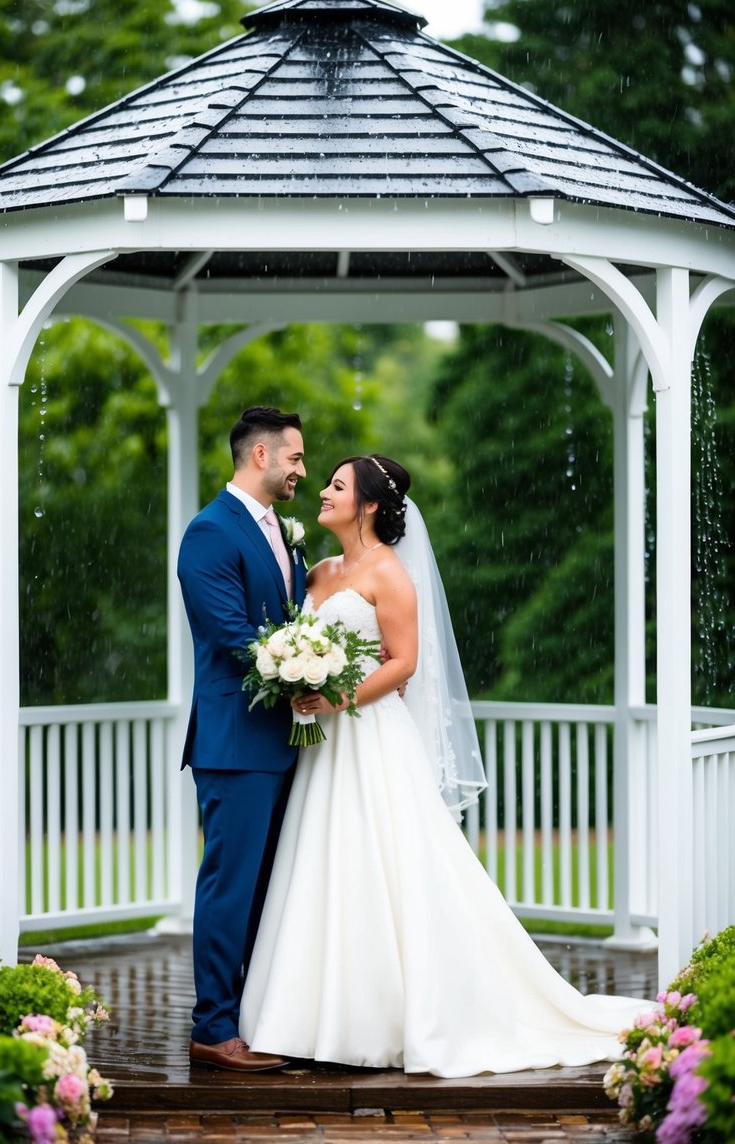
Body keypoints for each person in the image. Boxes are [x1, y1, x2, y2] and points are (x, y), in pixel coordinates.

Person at [239, 454, 654, 1077]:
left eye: (338, 486)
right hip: (320, 748)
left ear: (370, 505)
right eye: (325, 482)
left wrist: (337, 695)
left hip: (369, 738)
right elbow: (302, 639)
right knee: (323, 863)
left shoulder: (390, 574)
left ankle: (398, 1013)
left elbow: (402, 663)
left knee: (391, 865)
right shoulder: (317, 573)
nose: (323, 491)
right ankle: (312, 1015)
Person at [177, 406, 308, 1071]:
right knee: (230, 885)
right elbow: (232, 635)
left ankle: (254, 1014)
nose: (301, 472)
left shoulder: (282, 533)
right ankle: (212, 1028)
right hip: (233, 741)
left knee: (267, 887)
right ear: (259, 456)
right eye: (294, 458)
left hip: (283, 740)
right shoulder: (208, 532)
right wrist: (308, 673)